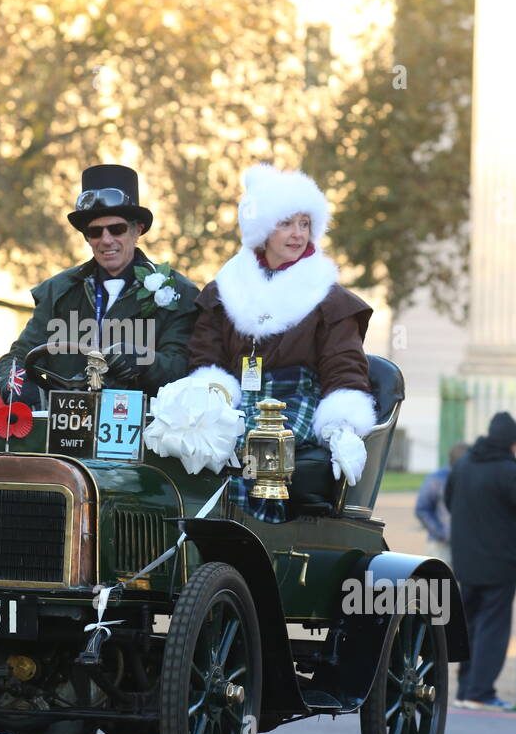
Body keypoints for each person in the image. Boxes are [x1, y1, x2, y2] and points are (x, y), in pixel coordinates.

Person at [145, 164, 377, 518]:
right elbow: (206, 357)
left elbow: (343, 364)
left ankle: (253, 540)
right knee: (184, 441)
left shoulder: (328, 299)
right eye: (286, 223)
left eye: (305, 224)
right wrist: (210, 400)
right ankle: (186, 537)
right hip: (235, 395)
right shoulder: (225, 289)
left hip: (294, 398)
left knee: (256, 445)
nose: (298, 234)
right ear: (263, 229)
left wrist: (343, 427)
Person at [0, 165, 200, 404]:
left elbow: (182, 368)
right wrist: (18, 389)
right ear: (87, 237)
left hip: (143, 430)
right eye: (95, 232)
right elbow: (17, 358)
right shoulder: (58, 291)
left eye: (117, 229)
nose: (106, 240)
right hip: (65, 429)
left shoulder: (177, 292)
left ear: (137, 230)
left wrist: (143, 361)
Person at [445, 411, 516, 710]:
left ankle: (464, 689)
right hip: (501, 563)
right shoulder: (509, 471)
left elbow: (449, 501)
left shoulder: (464, 465)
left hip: (465, 561)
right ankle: (480, 693)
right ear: (512, 444)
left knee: (469, 625)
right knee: (493, 628)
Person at [415, 442, 469, 564]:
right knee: (441, 582)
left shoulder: (471, 477)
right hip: (439, 547)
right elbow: (422, 509)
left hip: (466, 546)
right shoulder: (436, 478)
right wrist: (441, 533)